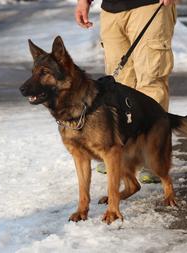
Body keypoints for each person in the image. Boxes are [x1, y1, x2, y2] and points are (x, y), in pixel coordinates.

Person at [75, 0, 177, 183]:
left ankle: (153, 158)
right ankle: (122, 154)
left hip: (149, 5)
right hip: (112, 10)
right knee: (119, 87)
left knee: (151, 81)